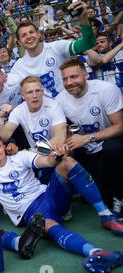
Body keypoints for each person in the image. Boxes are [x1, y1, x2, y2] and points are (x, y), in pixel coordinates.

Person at [0, 134, 123, 273]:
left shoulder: (20, 156)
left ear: (4, 147)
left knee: (67, 162)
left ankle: (106, 216)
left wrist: (56, 156)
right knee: (47, 225)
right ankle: (96, 252)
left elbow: (46, 162)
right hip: (28, 211)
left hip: (47, 195)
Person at [56, 57, 123, 214]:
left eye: (74, 77)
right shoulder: (60, 100)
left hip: (111, 141)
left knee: (111, 148)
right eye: (65, 79)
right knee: (103, 199)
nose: (69, 82)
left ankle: (120, 196)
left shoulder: (106, 89)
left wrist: (88, 138)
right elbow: (67, 129)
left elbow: (120, 126)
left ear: (86, 75)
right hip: (88, 148)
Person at [9, 1, 97, 98]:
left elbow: (88, 43)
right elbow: (4, 87)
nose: (29, 36)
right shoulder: (19, 67)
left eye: (31, 32)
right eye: (24, 35)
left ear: (38, 34)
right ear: (19, 42)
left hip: (71, 103)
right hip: (48, 111)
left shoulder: (56, 47)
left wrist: (83, 17)